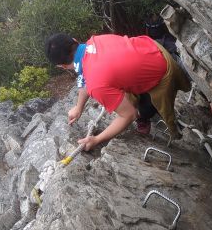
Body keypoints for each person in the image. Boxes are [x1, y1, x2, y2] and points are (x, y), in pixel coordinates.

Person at [45, 32, 191, 150]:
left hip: (163, 71)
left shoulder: (96, 83)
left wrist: (96, 139)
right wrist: (78, 107)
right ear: (75, 40)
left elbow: (128, 115)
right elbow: (85, 79)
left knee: (141, 111)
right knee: (119, 84)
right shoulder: (96, 40)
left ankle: (173, 132)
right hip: (154, 46)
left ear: (62, 66)